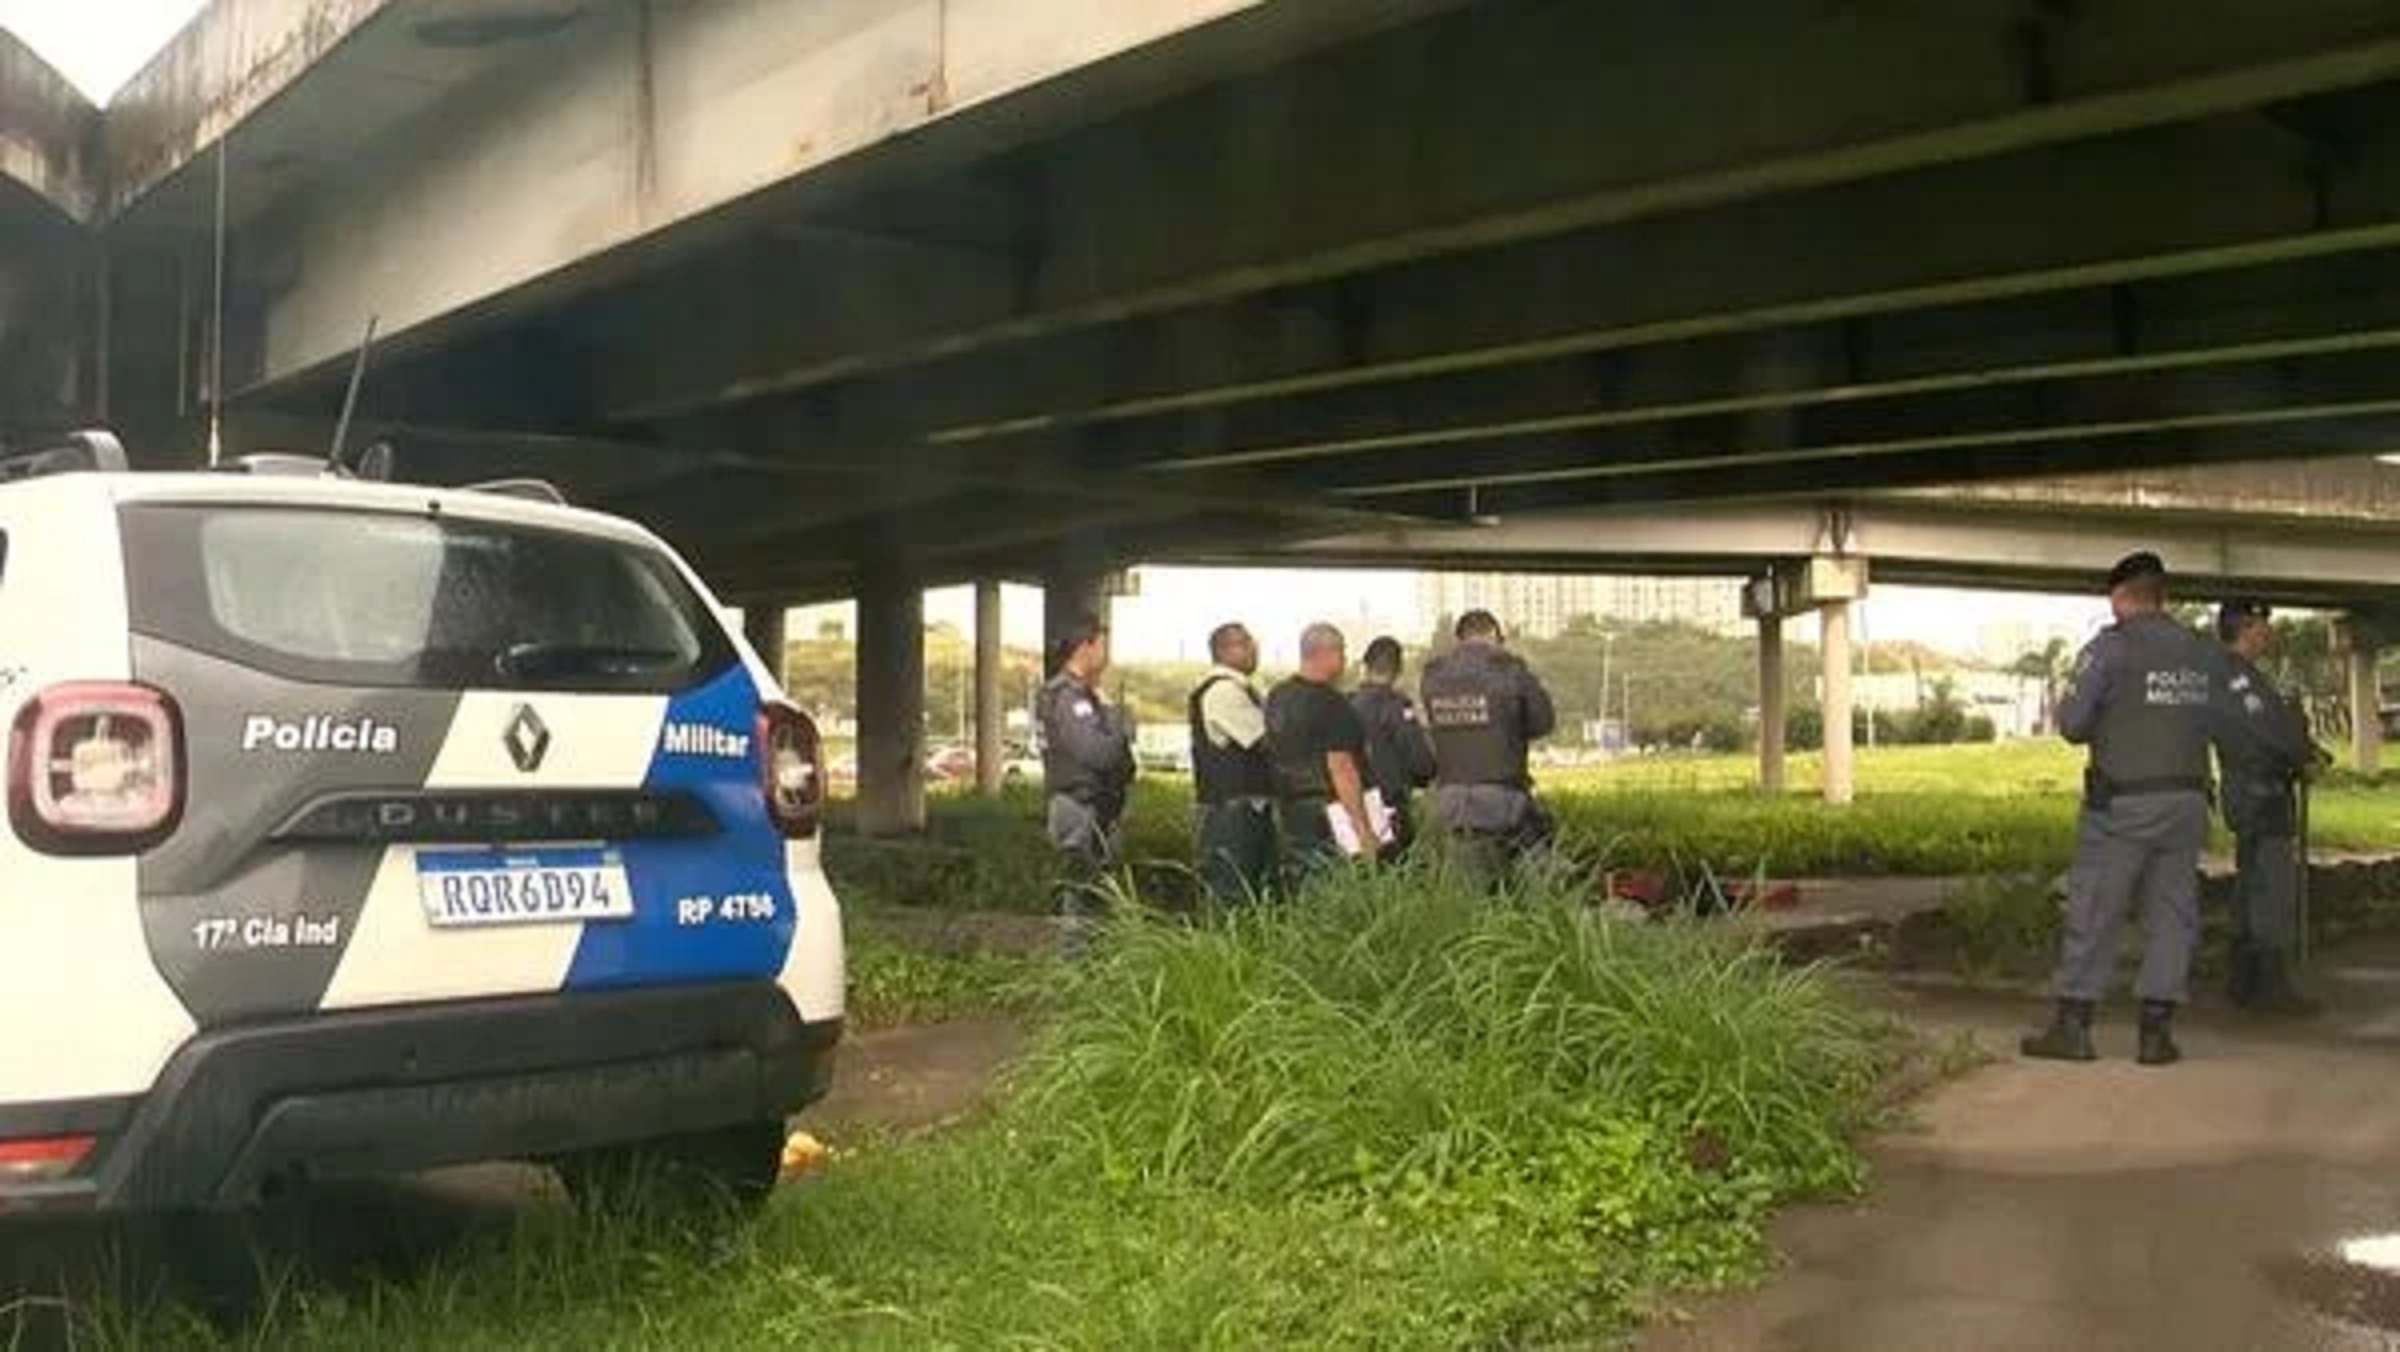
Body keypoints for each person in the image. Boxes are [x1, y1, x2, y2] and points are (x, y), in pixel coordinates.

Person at [2021, 553, 2243, 1066]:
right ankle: (2156, 1035)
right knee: (2172, 915)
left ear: (2119, 597)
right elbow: (2224, 720)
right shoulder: (2201, 652)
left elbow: (2074, 723)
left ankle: (2073, 1027)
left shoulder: (2110, 649)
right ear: (2161, 596)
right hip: (2186, 801)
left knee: (2096, 907)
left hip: (2122, 804)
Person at [2215, 600, 2326, 1016]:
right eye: (2264, 624)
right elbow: (2269, 732)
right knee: (2270, 886)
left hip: (2254, 792)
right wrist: (2303, 753)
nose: (2270, 632)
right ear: (2247, 628)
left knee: (2255, 883)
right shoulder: (2239, 679)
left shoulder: (2241, 675)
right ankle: (2267, 985)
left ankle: (2245, 980)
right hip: (2261, 794)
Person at [1419, 610, 1557, 881]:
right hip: (1504, 799)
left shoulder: (1432, 676)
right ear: (1493, 634)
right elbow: (1543, 722)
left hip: (1451, 801)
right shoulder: (1509, 670)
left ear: (1459, 638)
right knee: (1538, 879)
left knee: (1470, 891)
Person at [1035, 614, 1134, 952]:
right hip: (1081, 806)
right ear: (1085, 646)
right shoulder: (1068, 697)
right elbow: (1099, 754)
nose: (1106, 652)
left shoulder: (1078, 695)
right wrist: (1116, 719)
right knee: (1082, 895)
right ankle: (1076, 972)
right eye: (1102, 643)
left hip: (1094, 805)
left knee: (1094, 895)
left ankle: (1089, 967)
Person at [1264, 623, 1380, 880]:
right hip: (1331, 813)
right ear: (1325, 653)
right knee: (1337, 886)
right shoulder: (1332, 704)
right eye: (1342, 652)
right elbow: (1341, 767)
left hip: (1290, 810)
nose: (1345, 660)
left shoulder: (1277, 697)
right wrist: (1362, 828)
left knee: (1301, 881)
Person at [1188, 621, 1279, 902]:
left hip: (1243, 808)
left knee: (1250, 891)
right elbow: (1265, 740)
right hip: (1233, 812)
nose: (1254, 649)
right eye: (1246, 643)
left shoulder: (1240, 688)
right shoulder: (1223, 691)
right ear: (1224, 650)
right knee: (1235, 893)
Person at [1350, 636, 1438, 860]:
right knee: (1397, 871)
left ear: (1366, 665)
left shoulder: (1346, 704)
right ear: (1398, 668)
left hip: (1351, 807)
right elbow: (1420, 760)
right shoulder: (1397, 706)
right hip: (1390, 804)